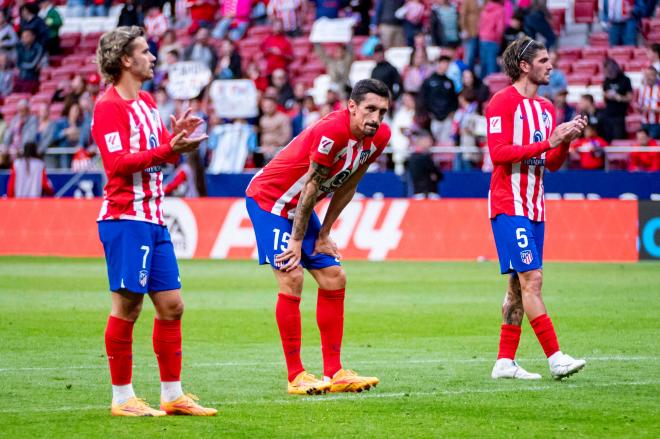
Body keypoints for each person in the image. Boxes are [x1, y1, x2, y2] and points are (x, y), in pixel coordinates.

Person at [92, 26, 216, 417]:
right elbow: (116, 165)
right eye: (145, 52)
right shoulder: (108, 106)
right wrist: (167, 148)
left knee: (172, 306)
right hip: (125, 218)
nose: (153, 58)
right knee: (127, 309)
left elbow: (160, 154)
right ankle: (122, 398)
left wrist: (175, 138)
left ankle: (172, 394)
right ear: (125, 60)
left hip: (154, 217)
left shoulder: (146, 102)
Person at [244, 78, 390, 395]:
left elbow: (350, 184)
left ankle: (335, 372)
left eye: (381, 111)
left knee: (334, 277)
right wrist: (297, 241)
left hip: (301, 206)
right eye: (369, 109)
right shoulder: (332, 131)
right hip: (271, 201)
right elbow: (312, 184)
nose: (375, 119)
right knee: (292, 276)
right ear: (351, 107)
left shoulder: (379, 137)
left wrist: (324, 233)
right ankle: (296, 375)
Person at [485, 37, 587, 381]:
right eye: (543, 61)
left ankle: (504, 362)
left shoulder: (545, 108)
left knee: (517, 285)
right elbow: (498, 153)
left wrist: (566, 140)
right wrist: (549, 141)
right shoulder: (501, 102)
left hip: (535, 205)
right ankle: (555, 357)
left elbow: (552, 163)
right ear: (524, 66)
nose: (551, 65)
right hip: (508, 203)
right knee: (533, 279)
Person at [419, 55, 458, 144]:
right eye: (443, 63)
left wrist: (451, 113)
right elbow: (424, 98)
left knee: (445, 144)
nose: (445, 65)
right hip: (433, 118)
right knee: (433, 144)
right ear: (438, 63)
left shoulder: (450, 82)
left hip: (447, 118)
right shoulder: (429, 81)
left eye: (447, 63)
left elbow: (454, 100)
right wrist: (429, 114)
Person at [602, 58, 632, 142]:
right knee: (608, 138)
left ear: (615, 67)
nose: (609, 71)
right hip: (608, 114)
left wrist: (619, 97)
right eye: (607, 69)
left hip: (620, 115)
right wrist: (606, 96)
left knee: (618, 139)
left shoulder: (625, 80)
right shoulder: (606, 81)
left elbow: (630, 97)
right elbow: (604, 99)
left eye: (610, 68)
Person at [635, 66, 660, 139]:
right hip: (644, 123)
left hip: (657, 124)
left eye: (651, 75)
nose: (649, 77)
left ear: (656, 76)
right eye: (647, 75)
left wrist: (650, 109)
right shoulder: (642, 89)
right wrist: (639, 108)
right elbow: (640, 106)